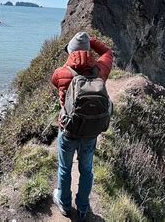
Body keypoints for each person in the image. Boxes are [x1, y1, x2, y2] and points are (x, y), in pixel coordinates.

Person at [50, 32, 113, 220]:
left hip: (68, 130)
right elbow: (108, 52)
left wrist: (71, 59)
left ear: (70, 51)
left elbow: (55, 81)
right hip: (90, 133)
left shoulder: (61, 73)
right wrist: (90, 41)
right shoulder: (100, 70)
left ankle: (64, 203)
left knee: (64, 168)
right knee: (86, 170)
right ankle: (83, 208)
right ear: (87, 50)